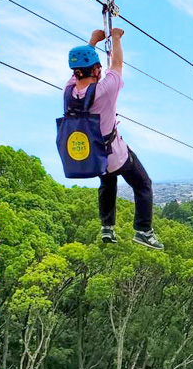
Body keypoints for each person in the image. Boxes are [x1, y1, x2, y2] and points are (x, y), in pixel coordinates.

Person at [65, 27, 163, 250]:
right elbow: (117, 64)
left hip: (91, 156)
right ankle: (143, 230)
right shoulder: (105, 90)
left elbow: (78, 71)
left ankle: (107, 227)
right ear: (97, 69)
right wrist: (116, 38)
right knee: (143, 184)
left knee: (107, 182)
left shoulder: (69, 91)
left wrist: (92, 42)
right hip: (114, 154)